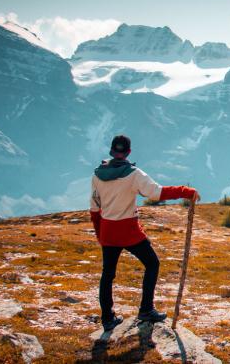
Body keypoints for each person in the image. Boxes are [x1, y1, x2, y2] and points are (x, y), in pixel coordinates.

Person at [90, 135, 199, 331]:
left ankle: (107, 318)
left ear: (112, 151)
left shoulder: (97, 175)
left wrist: (100, 235)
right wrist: (185, 191)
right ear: (129, 152)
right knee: (152, 263)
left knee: (107, 275)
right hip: (128, 231)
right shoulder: (133, 174)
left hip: (108, 231)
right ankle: (146, 309)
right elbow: (156, 192)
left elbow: (94, 209)